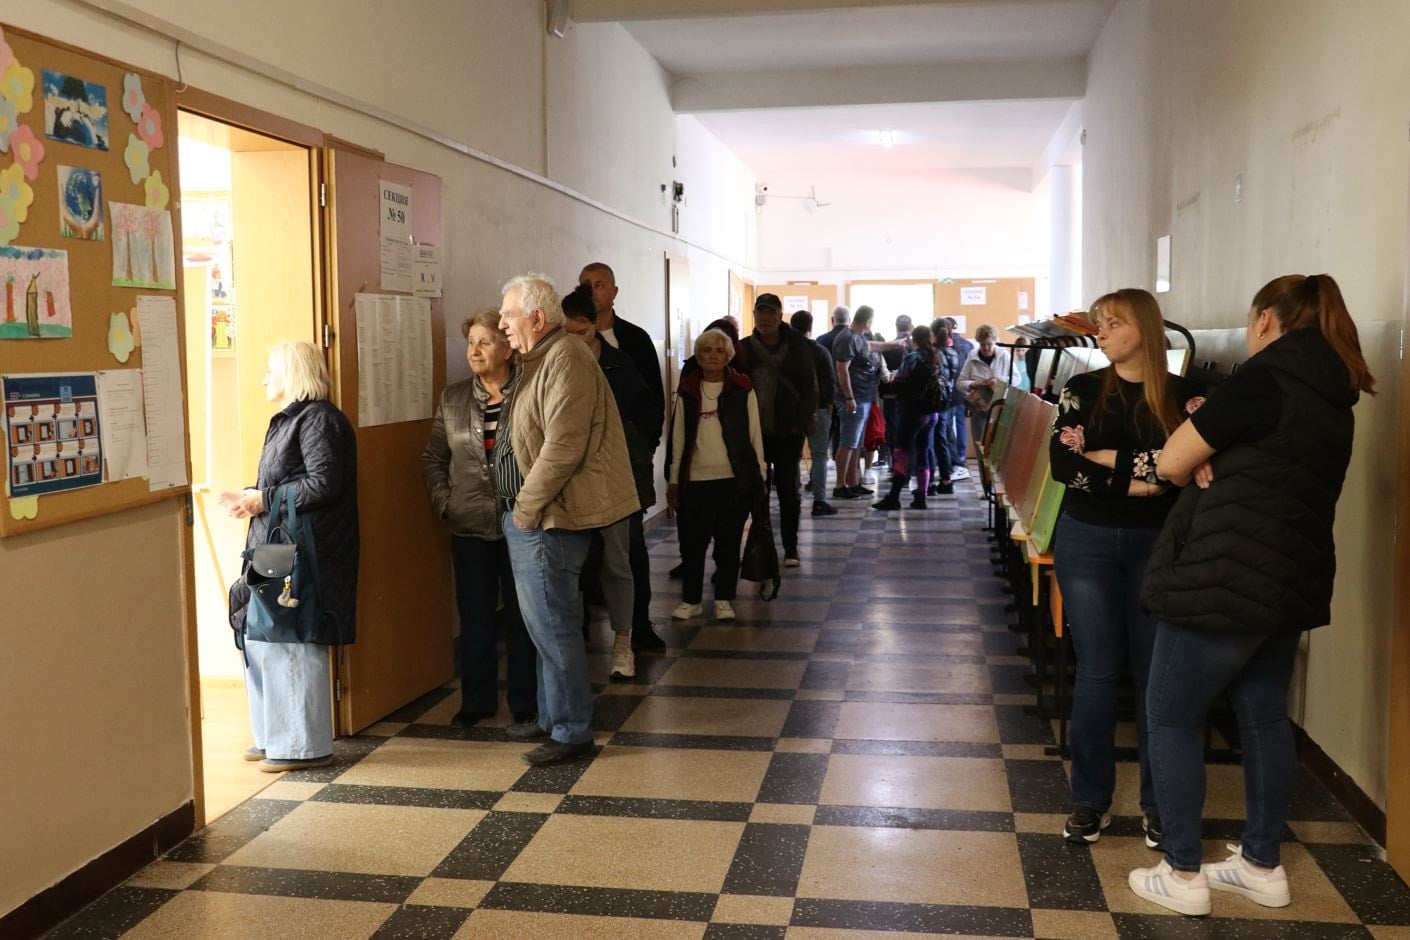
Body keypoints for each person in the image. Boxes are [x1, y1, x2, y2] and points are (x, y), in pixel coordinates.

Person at [1130, 274, 1375, 916]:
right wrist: (1214, 444)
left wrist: (1200, 450)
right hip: (1289, 579)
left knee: (1171, 712)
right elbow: (1254, 456)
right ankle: (1262, 864)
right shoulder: (1332, 392)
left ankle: (1182, 874)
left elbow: (1169, 464)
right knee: (1264, 713)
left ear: (1266, 320)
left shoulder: (1262, 380)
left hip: (1223, 576)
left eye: (1249, 320)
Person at [1047, 289, 1202, 849]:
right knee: (1096, 671)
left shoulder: (1187, 397)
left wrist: (1115, 459)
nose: (1102, 333)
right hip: (1085, 540)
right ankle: (1090, 801)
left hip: (1158, 544)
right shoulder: (1082, 389)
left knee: (1154, 674)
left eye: (1112, 323)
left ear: (1145, 326)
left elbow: (1192, 465)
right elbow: (1064, 461)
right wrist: (1140, 479)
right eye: (1099, 325)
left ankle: (1158, 807)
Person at [497, 274, 639, 766]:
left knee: (555, 626)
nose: (501, 324)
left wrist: (525, 509)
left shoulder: (566, 357)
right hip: (536, 515)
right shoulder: (539, 360)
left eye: (508, 314)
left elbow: (562, 446)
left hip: (549, 517)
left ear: (537, 318)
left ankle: (572, 730)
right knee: (543, 627)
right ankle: (551, 718)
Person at [223, 340, 358, 773]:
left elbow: (323, 485)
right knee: (260, 630)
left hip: (304, 550)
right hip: (276, 544)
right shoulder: (287, 421)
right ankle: (271, 736)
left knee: (293, 637)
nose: (264, 376)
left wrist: (262, 499)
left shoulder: (319, 419)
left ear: (293, 372)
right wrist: (251, 498)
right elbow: (285, 483)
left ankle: (302, 745)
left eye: (270, 368)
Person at [421, 310, 537, 725]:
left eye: (485, 342)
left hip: (522, 522)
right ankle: (477, 701)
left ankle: (525, 702)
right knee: (475, 617)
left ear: (508, 348)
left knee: (524, 618)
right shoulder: (453, 399)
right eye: (471, 342)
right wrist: (444, 503)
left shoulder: (528, 392)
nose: (475, 350)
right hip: (468, 523)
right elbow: (435, 457)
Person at [561, 283, 666, 677]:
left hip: (616, 479)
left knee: (619, 561)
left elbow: (649, 414)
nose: (575, 341)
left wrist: (637, 455)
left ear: (595, 328)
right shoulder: (554, 366)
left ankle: (624, 641)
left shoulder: (620, 364)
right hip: (569, 482)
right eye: (567, 334)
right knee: (573, 565)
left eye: (582, 333)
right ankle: (578, 639)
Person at [665, 328, 766, 622]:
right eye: (707, 351)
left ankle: (723, 598)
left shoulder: (742, 388)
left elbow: (754, 434)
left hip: (733, 479)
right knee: (693, 545)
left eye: (718, 351)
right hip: (695, 481)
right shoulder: (688, 389)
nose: (712, 356)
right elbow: (679, 439)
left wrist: (758, 474)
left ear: (728, 355)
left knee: (728, 543)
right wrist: (673, 479)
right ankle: (691, 600)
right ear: (698, 355)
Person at [734, 293, 818, 567]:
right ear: (755, 315)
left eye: (771, 313)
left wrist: (803, 422)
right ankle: (758, 544)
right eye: (761, 312)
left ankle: (790, 547)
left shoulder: (797, 346)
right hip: (753, 431)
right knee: (753, 489)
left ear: (780, 316)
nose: (766, 318)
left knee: (787, 490)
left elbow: (808, 386)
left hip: (788, 430)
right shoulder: (743, 348)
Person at [872, 324, 945, 511]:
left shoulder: (912, 358)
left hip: (912, 412)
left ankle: (894, 496)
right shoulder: (937, 358)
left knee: (901, 452)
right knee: (923, 452)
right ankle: (921, 496)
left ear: (914, 340)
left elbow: (898, 383)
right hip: (931, 414)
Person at [790, 310, 838, 516]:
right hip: (818, 409)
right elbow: (829, 381)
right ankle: (819, 501)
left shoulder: (785, 351)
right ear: (810, 327)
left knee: (791, 455)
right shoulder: (820, 351)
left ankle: (791, 497)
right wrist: (828, 405)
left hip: (790, 410)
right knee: (819, 455)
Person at [832, 306, 881, 499]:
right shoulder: (848, 337)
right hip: (854, 399)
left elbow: (873, 346)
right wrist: (849, 397)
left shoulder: (858, 337)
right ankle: (840, 485)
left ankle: (853, 482)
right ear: (868, 321)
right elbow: (842, 370)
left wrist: (896, 344)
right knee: (848, 442)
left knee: (855, 444)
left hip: (862, 397)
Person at [956, 324, 1012, 459]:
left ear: (995, 341)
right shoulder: (972, 356)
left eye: (989, 344)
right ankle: (985, 479)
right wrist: (974, 384)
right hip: (979, 407)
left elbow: (1016, 379)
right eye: (982, 345)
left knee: (999, 446)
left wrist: (998, 381)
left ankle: (997, 478)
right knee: (980, 445)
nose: (986, 348)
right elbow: (960, 383)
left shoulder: (1004, 355)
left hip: (1000, 406)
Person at [945, 318, 975, 476]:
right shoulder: (967, 345)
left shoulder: (946, 344)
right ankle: (961, 454)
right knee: (961, 423)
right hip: (964, 389)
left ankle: (953, 457)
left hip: (949, 391)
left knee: (949, 426)